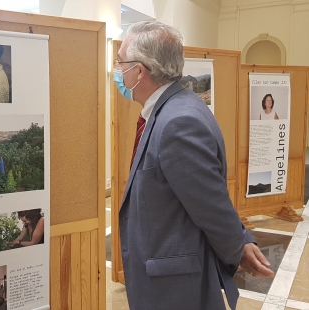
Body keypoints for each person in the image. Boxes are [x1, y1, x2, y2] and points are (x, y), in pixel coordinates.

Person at [113, 21, 274, 310]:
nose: (116, 69)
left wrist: (238, 246)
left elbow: (209, 203)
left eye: (120, 62)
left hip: (173, 288)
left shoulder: (177, 122)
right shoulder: (174, 108)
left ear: (140, 70)